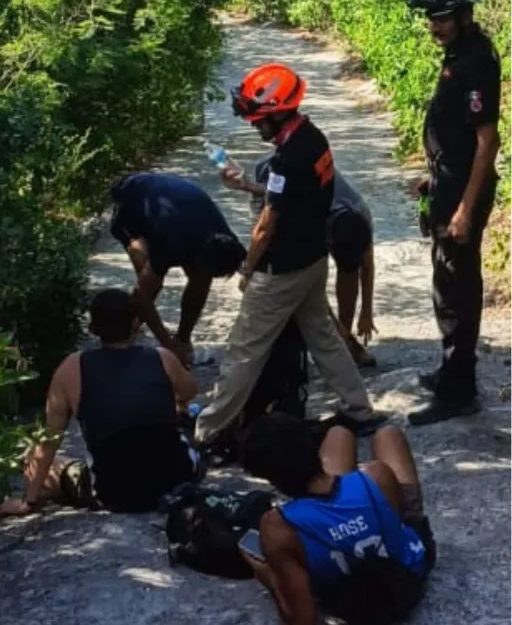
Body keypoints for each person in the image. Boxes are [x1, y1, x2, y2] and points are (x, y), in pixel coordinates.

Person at [194, 63, 384, 449]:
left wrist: (248, 266)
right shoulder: (314, 139)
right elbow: (294, 194)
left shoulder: (285, 160)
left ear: (278, 112)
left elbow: (266, 226)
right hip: (313, 260)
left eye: (257, 116)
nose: (252, 124)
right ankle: (359, 410)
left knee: (244, 349)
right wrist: (249, 184)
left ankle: (208, 431)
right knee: (324, 337)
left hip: (281, 270)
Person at [0, 289, 203, 516]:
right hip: (178, 481)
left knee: (36, 462)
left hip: (115, 493)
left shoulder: (71, 368)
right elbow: (189, 391)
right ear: (136, 323)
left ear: (93, 328)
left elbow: (49, 440)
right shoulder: (162, 357)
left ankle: (48, 491)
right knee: (181, 408)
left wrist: (28, 501)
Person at [406, 0, 501, 424]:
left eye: (441, 17)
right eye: (431, 18)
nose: (434, 26)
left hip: (464, 191)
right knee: (445, 280)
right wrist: (433, 176)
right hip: (446, 183)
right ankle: (451, 370)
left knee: (459, 286)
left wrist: (464, 208)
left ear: (464, 13)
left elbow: (487, 142)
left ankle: (459, 390)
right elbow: (455, 131)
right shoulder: (458, 53)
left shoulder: (478, 59)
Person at [239, 414, 435, 625]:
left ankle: (326, 495)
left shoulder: (278, 527)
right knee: (386, 434)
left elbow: (303, 621)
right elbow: (395, 523)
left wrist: (267, 573)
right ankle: (331, 487)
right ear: (313, 448)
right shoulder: (377, 474)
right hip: (407, 573)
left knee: (339, 435)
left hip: (349, 600)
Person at [226, 156, 378, 367]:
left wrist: (367, 312)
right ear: (326, 240)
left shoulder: (360, 215)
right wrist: (248, 270)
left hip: (313, 201)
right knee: (299, 281)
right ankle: (341, 341)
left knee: (349, 270)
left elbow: (367, 266)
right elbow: (307, 285)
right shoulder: (302, 223)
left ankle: (343, 336)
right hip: (275, 195)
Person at [109, 173, 248, 366]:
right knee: (147, 276)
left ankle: (183, 337)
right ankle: (129, 329)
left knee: (201, 279)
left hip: (178, 203)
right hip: (132, 199)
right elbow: (141, 294)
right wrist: (167, 344)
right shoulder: (170, 241)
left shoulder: (226, 239)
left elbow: (251, 270)